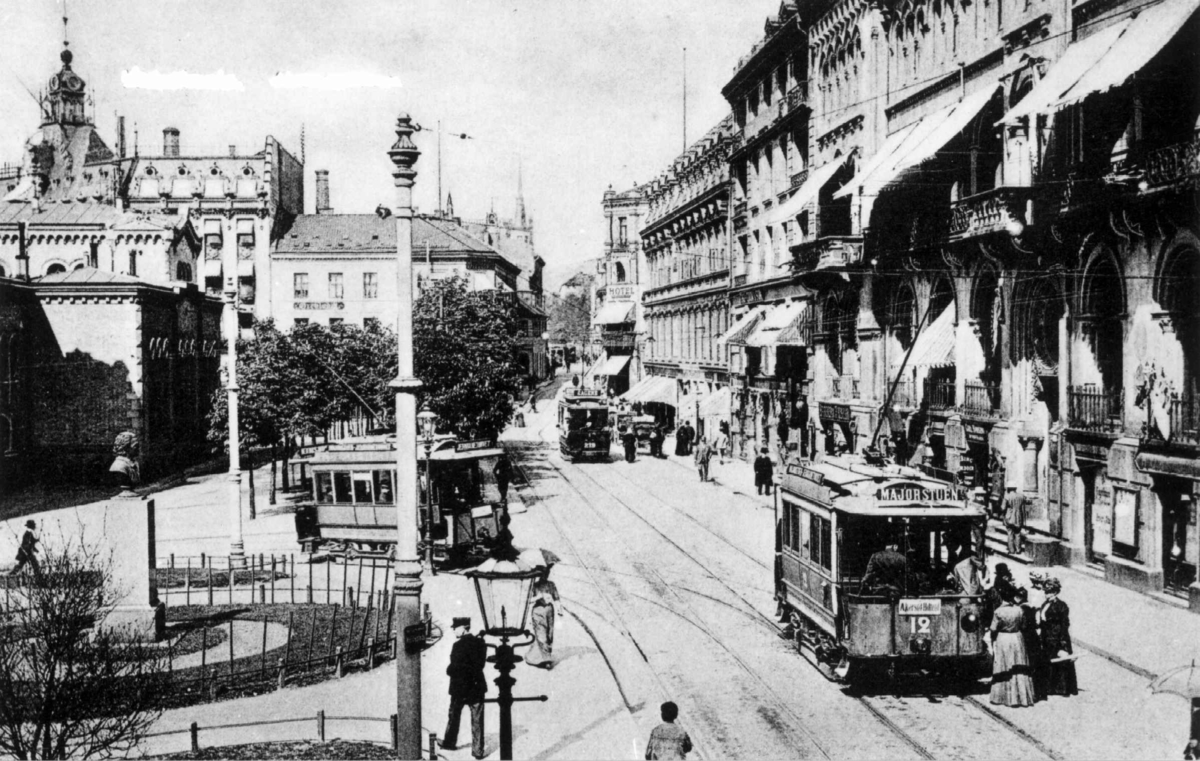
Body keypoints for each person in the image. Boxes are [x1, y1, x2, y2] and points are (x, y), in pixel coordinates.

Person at [442, 617, 488, 758]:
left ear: (463, 628)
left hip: (459, 688)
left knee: (454, 715)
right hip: (476, 686)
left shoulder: (458, 646)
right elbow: (479, 665)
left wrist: (449, 670)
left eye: (455, 628)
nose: (454, 630)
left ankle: (449, 743)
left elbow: (452, 668)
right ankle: (478, 751)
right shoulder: (480, 643)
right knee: (477, 719)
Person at [989, 589, 1037, 707]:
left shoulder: (998, 611)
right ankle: (1021, 697)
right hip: (1016, 638)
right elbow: (1024, 625)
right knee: (1018, 666)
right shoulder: (1019, 610)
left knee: (1003, 665)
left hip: (1003, 638)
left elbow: (993, 628)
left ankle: (1001, 697)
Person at [1040, 577, 1078, 696]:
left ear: (1056, 592)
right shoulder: (1046, 603)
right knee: (1049, 661)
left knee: (1060, 662)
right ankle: (1050, 686)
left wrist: (1063, 644)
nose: (1047, 594)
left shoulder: (1061, 606)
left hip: (1057, 637)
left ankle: (1062, 688)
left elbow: (1064, 625)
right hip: (1047, 637)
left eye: (1049, 592)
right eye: (1045, 592)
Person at [1014, 586, 1047, 701]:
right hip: (1033, 638)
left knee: (1025, 665)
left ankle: (1030, 693)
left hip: (1025, 638)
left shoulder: (1020, 609)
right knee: (1036, 664)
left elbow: (1021, 625)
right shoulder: (1031, 608)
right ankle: (1040, 692)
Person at [525, 583, 556, 670]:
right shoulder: (533, 585)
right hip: (538, 611)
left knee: (549, 634)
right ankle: (546, 660)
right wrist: (538, 597)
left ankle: (544, 656)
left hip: (550, 610)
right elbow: (527, 600)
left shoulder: (551, 585)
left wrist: (558, 606)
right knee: (541, 635)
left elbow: (556, 597)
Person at [1004, 484, 1027, 554]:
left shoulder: (1007, 496)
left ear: (1008, 488)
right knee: (1017, 533)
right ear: (1015, 488)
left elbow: (1003, 507)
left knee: (1010, 533)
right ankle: (1018, 549)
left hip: (1009, 516)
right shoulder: (1021, 496)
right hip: (1018, 517)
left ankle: (1011, 550)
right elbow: (1027, 501)